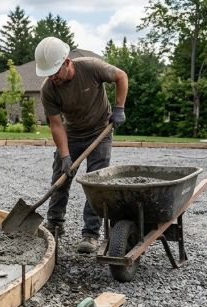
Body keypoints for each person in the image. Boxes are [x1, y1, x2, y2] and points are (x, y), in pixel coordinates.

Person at [34, 36, 129, 253]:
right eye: (48, 74)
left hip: (100, 131)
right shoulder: (48, 89)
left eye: (55, 72)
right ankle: (55, 223)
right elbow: (56, 124)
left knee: (96, 182)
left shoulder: (91, 68)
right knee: (60, 176)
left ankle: (90, 234)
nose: (52, 78)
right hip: (72, 134)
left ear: (67, 62)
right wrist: (65, 155)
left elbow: (121, 76)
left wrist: (119, 108)